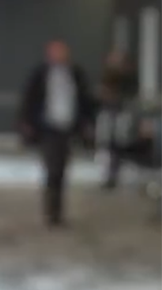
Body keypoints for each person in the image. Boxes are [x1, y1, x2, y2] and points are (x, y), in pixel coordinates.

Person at [19, 39, 95, 228]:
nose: (60, 55)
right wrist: (27, 123)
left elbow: (85, 100)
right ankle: (52, 212)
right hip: (48, 128)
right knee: (52, 169)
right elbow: (29, 99)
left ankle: (57, 211)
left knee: (61, 169)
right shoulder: (40, 74)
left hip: (68, 127)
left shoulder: (76, 74)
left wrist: (86, 124)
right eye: (56, 51)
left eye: (63, 51)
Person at [97, 49, 139, 190]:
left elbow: (130, 95)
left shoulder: (128, 78)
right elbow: (103, 93)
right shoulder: (108, 75)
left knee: (118, 146)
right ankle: (108, 176)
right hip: (109, 114)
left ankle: (114, 175)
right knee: (107, 147)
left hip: (121, 114)